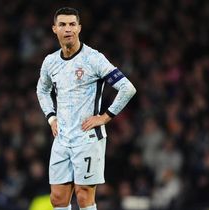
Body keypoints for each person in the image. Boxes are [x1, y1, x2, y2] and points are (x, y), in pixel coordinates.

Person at [36, 7, 136, 210]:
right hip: (62, 138)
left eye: (72, 24)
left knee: (83, 195)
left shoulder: (93, 59)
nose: (68, 29)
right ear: (54, 29)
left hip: (87, 138)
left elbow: (127, 88)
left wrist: (105, 117)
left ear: (79, 28)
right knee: (57, 198)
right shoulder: (50, 62)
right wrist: (51, 118)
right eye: (62, 24)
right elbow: (42, 90)